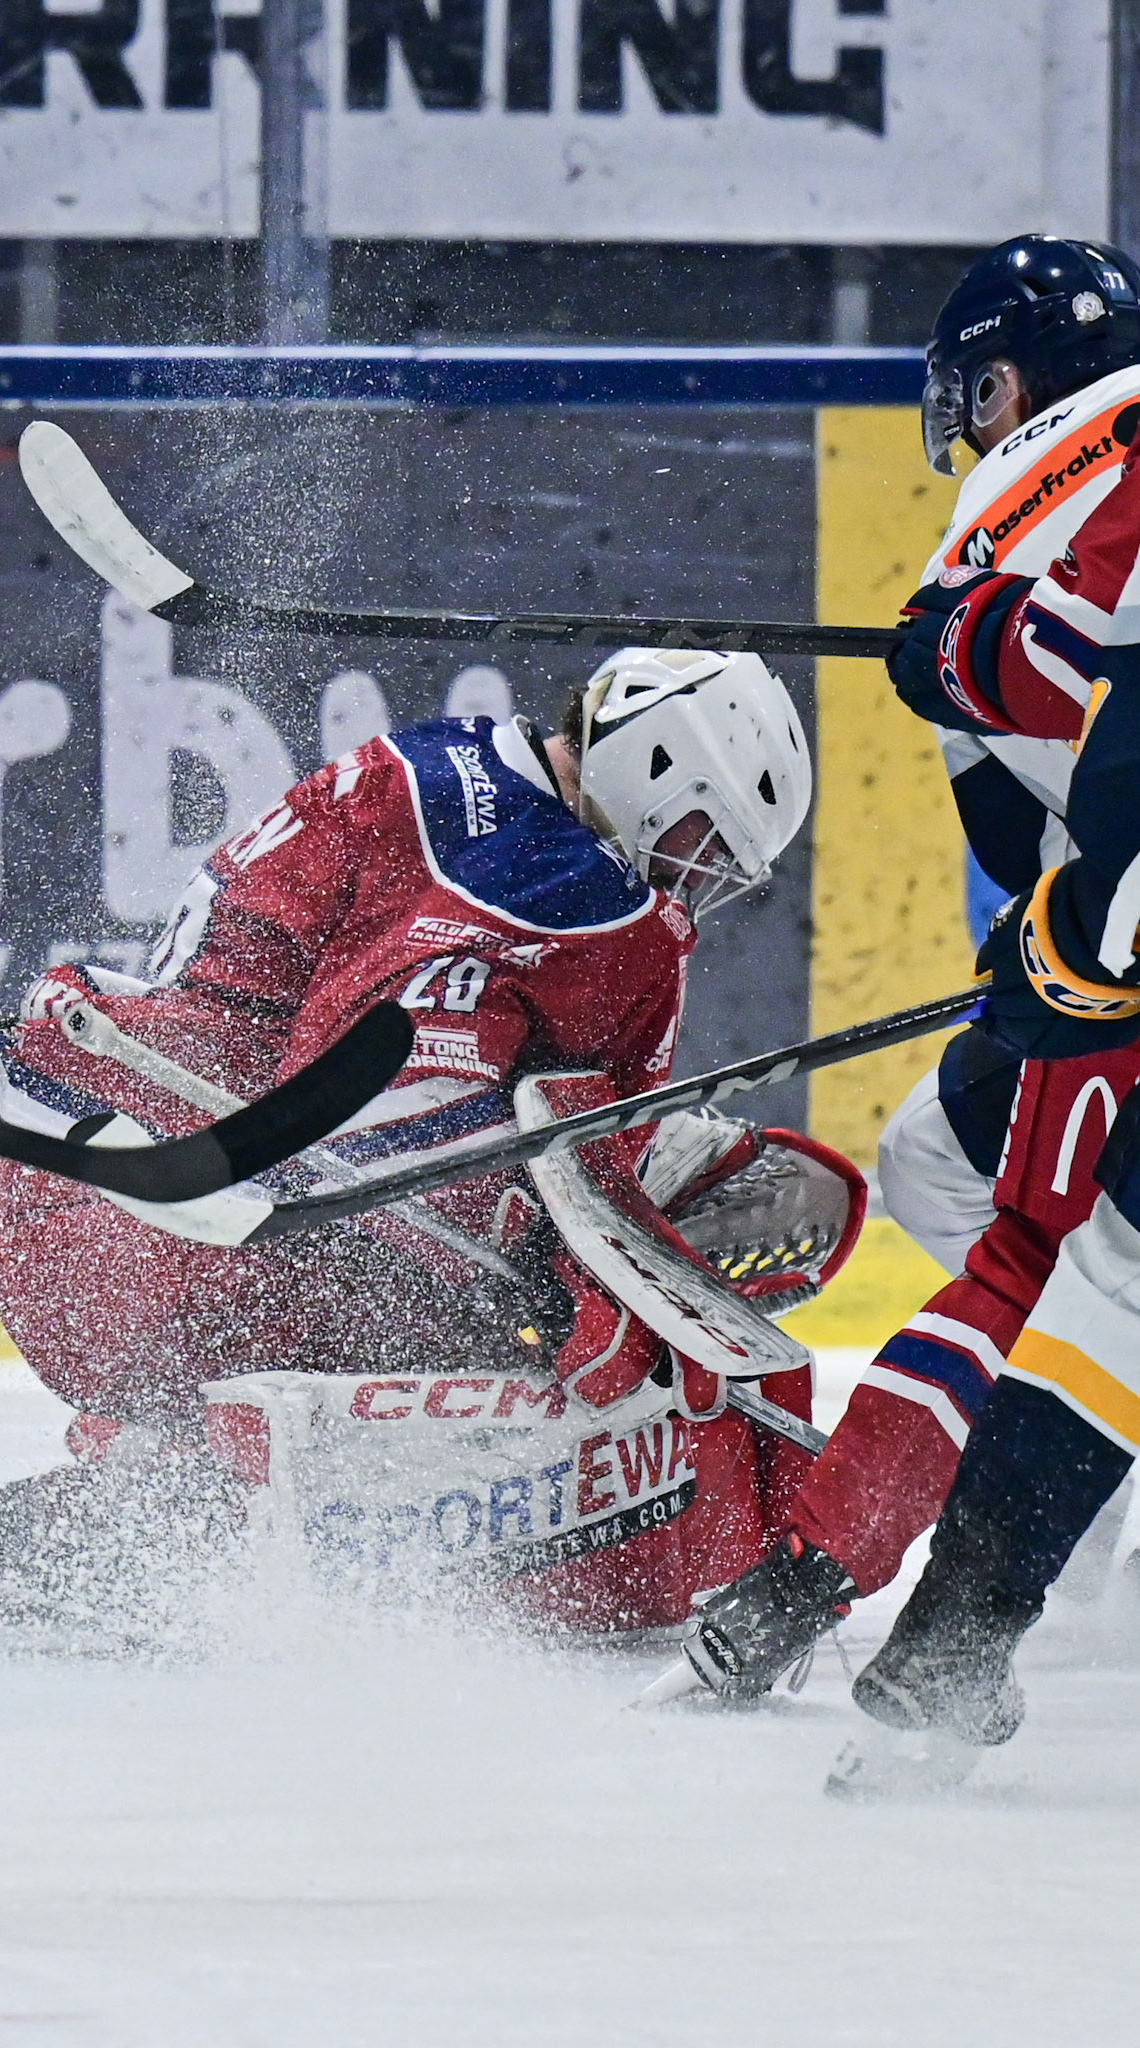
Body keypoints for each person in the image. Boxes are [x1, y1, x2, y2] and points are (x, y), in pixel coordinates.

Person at [0, 646, 859, 1633]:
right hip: (176, 1249)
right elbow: (366, 1127)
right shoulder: (562, 884)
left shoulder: (463, 760)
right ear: (657, 766)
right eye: (704, 840)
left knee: (559, 1252)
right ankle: (197, 1514)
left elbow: (355, 1091)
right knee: (558, 1339)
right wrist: (557, 1272)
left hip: (108, 1230)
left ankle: (162, 1472)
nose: (698, 879)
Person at [668, 234, 1140, 1711]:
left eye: (975, 389)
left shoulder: (1075, 482)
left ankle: (938, 1589)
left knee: (1078, 1266)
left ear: (1017, 378)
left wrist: (960, 651)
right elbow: (1039, 810)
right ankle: (1050, 1527)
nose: (968, 422)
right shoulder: (1040, 503)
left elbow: (1060, 681)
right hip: (1120, 929)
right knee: (950, 1166)